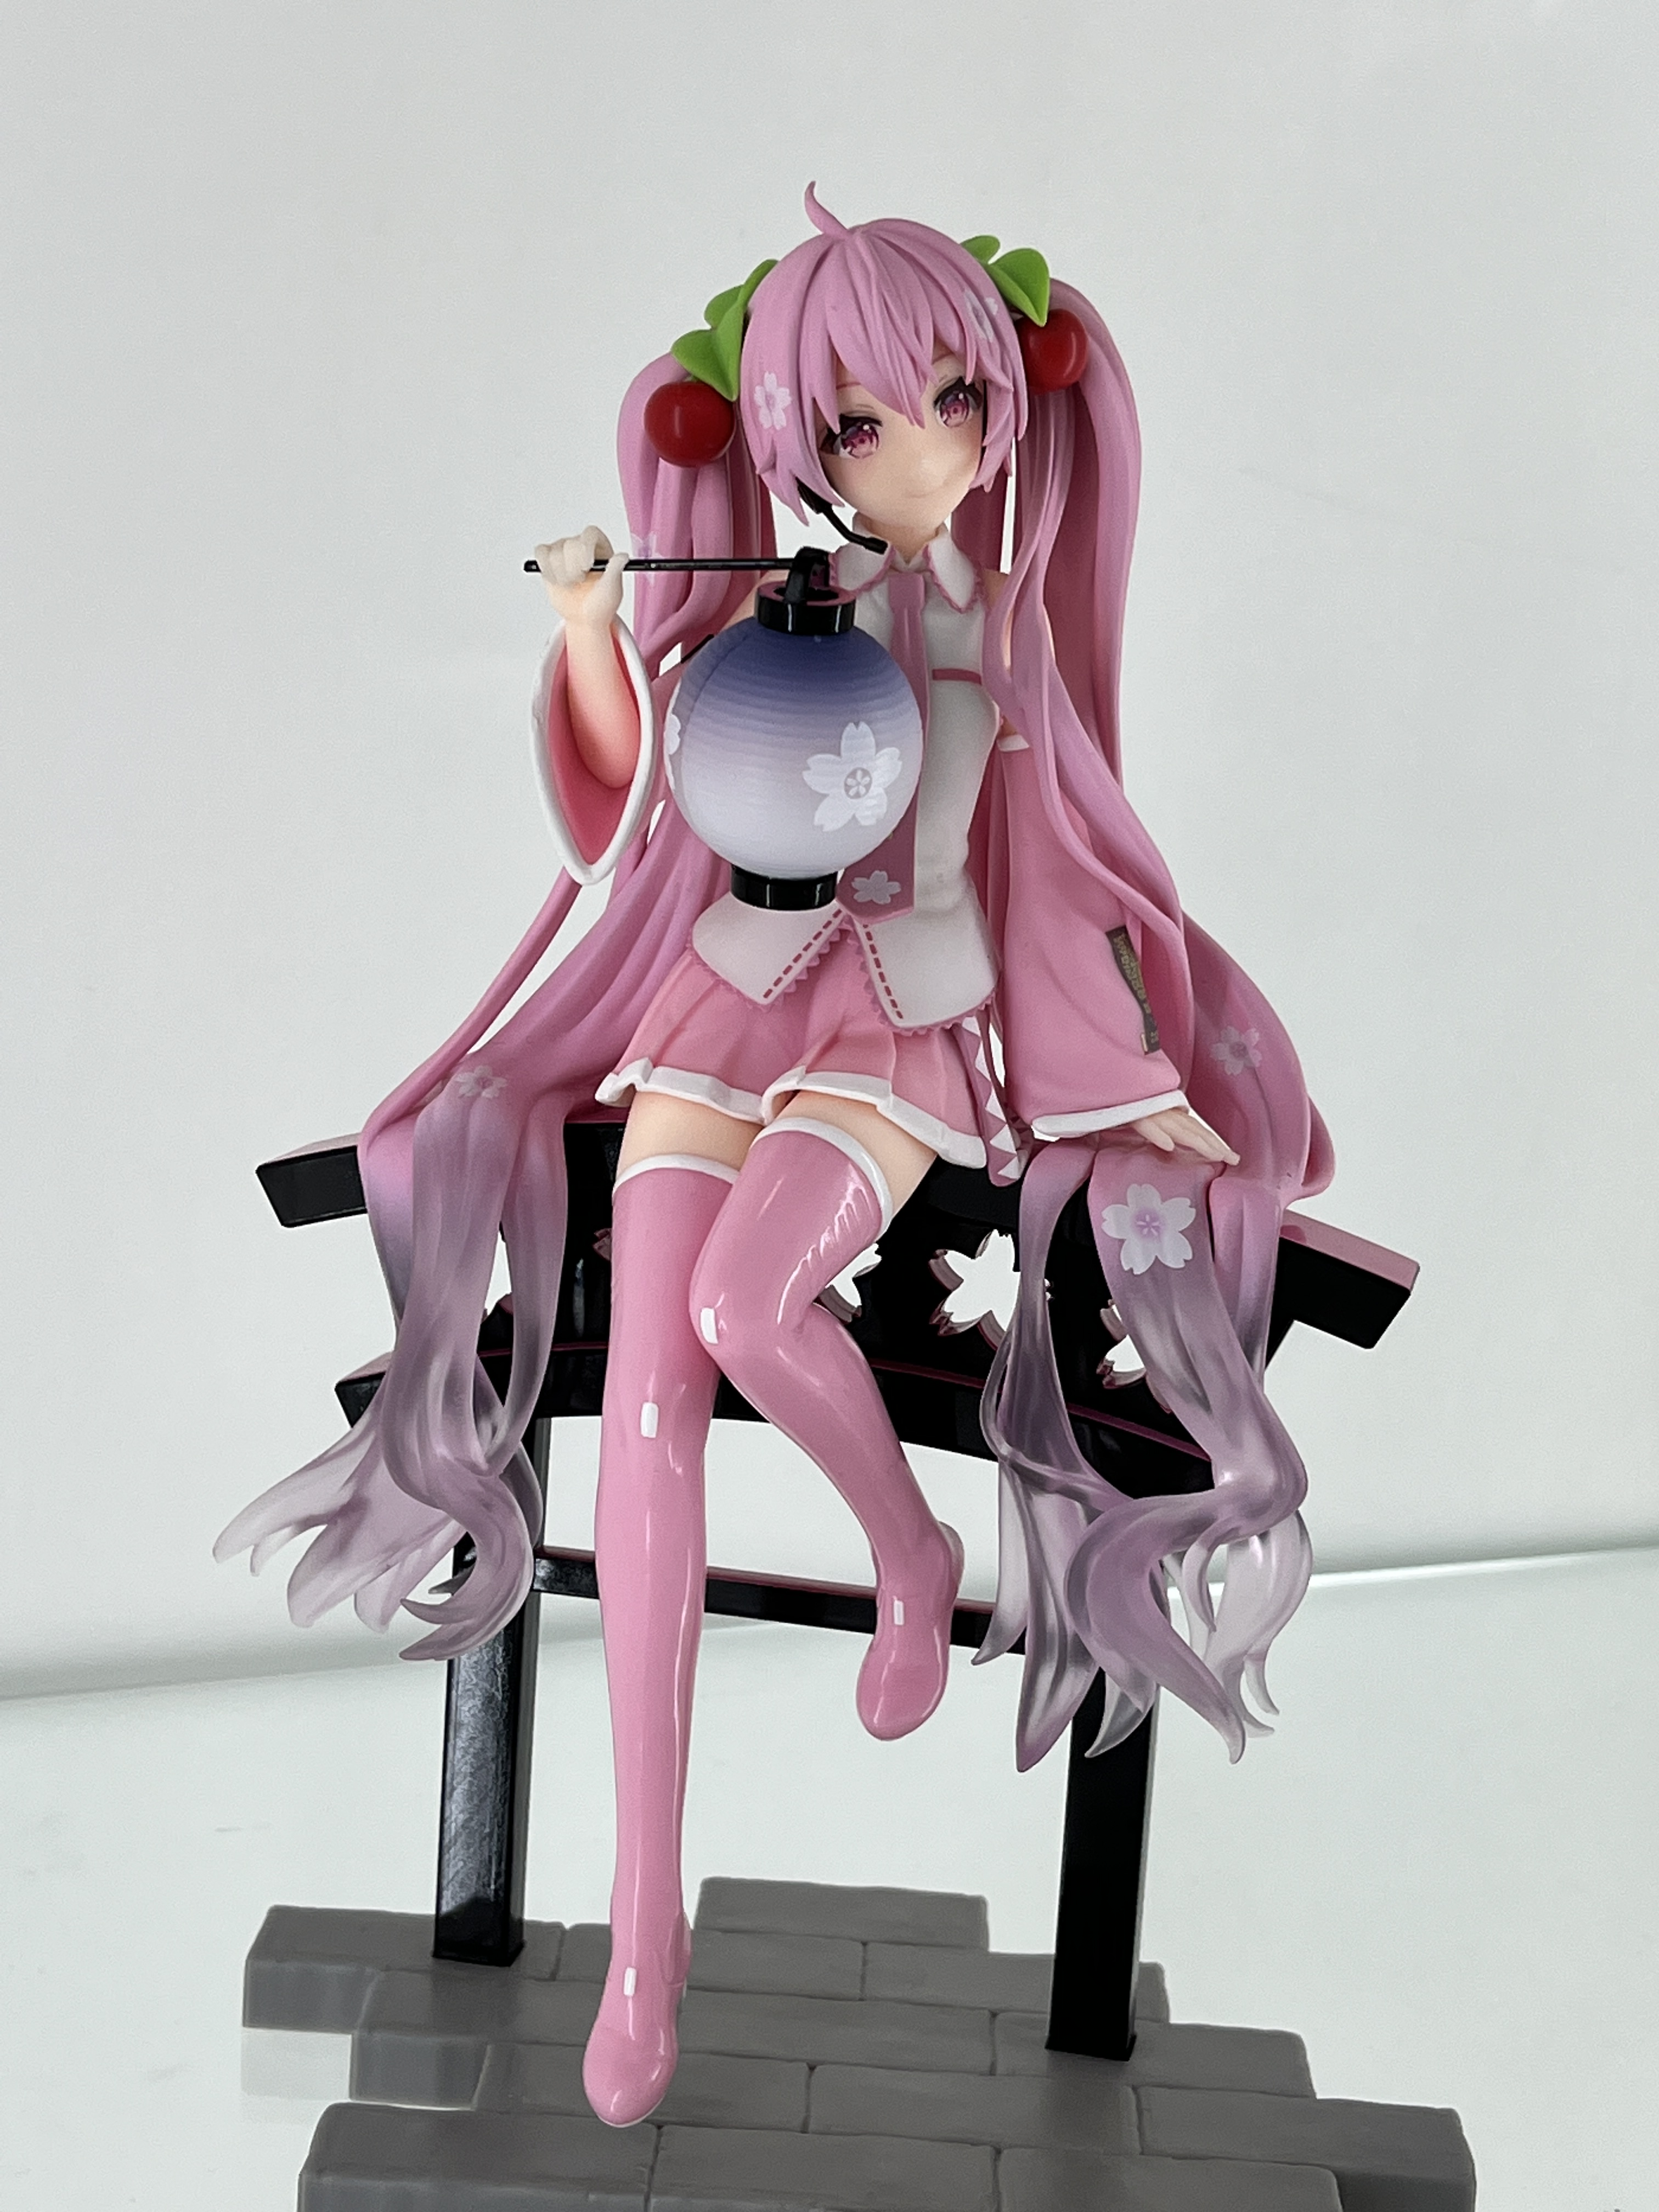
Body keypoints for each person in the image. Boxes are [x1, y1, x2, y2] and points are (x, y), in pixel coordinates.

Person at [217, 189, 1333, 2126]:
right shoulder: (753, 605)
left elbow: (1058, 883)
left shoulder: (1003, 631)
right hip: (721, 1003)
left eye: (955, 405)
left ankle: (906, 1546)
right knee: (647, 1394)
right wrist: (591, 626)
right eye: (861, 424)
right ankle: (641, 1935)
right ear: (792, 436)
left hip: (898, 1028)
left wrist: (1122, 1081)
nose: (921, 454)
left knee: (750, 1303)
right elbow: (624, 800)